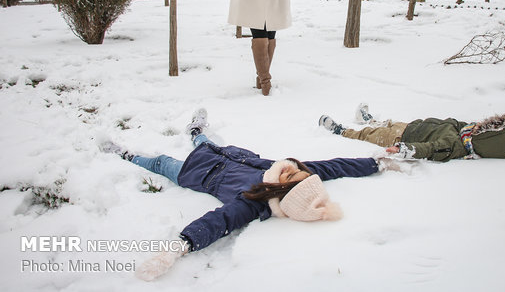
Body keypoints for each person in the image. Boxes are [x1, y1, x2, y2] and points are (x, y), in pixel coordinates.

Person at [100, 109, 402, 281]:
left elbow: (220, 220)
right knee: (203, 142)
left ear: (283, 192)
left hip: (194, 174)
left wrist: (179, 246)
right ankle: (195, 131)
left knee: (161, 162)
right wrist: (376, 162)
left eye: (292, 176)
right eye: (299, 172)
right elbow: (337, 166)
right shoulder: (293, 172)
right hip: (222, 153)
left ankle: (125, 154)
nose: (292, 168)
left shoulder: (255, 202)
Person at [319, 104, 505, 161]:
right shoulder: (465, 131)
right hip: (410, 126)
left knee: (369, 135)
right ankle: (369, 119)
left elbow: (430, 148)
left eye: (483, 128)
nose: (478, 125)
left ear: (485, 137)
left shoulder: (455, 145)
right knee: (387, 123)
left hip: (402, 137)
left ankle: (342, 131)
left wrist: (404, 149)